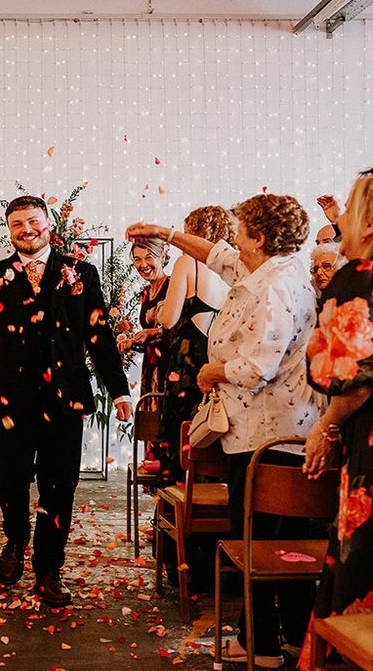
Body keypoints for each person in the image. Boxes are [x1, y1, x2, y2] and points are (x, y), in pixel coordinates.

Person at [127, 193, 319, 668]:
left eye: (240, 227)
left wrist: (212, 373)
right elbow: (217, 256)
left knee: (261, 542)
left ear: (258, 236)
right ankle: (293, 636)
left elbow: (259, 366)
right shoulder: (268, 270)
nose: (231, 234)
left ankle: (262, 645)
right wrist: (166, 234)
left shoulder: (276, 287)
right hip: (268, 429)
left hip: (266, 434)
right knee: (285, 541)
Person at [0, 195, 132, 607]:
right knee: (9, 479)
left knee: (60, 485)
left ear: (48, 222)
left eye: (32, 221)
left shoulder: (80, 273)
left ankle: (49, 567)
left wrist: (119, 389)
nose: (26, 230)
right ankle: (15, 539)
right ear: (10, 230)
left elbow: (99, 337)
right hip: (11, 400)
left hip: (65, 400)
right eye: (17, 224)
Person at [301, 169, 373, 669]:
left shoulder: (361, 276)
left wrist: (324, 429)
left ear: (368, 221)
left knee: (361, 571)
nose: (340, 220)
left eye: (347, 209)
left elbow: (352, 378)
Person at [155, 205, 233, 484]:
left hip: (188, 360)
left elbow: (168, 319)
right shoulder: (235, 267)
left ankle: (178, 512)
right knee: (212, 434)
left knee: (183, 434)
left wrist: (161, 307)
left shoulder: (187, 263)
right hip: (220, 361)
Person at [118, 238, 170, 412]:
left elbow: (178, 330)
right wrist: (133, 342)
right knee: (148, 425)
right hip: (149, 367)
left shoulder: (173, 287)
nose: (143, 264)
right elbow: (149, 334)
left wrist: (154, 333)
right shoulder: (146, 293)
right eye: (137, 259)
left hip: (168, 369)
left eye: (149, 257)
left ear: (162, 257)